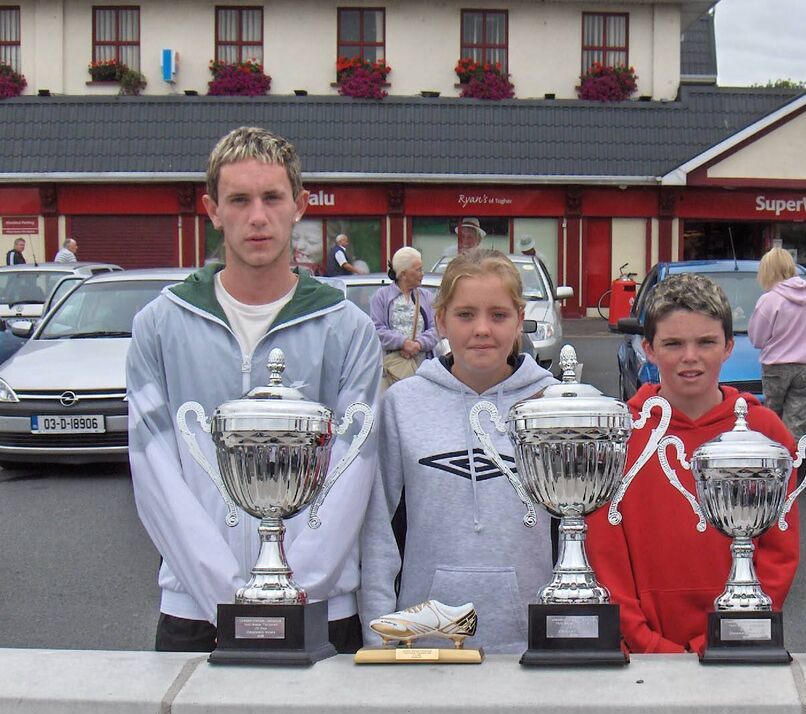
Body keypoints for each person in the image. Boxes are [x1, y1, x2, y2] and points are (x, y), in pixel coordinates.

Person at [127, 126, 381, 654]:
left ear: (300, 205)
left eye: (272, 197)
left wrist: (290, 594)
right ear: (212, 209)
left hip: (320, 606)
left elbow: (352, 470)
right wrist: (228, 595)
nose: (257, 217)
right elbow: (155, 472)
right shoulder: (159, 324)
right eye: (239, 200)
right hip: (195, 608)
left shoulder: (348, 328)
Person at [584, 273, 800, 654]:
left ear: (729, 346)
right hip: (639, 652)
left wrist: (724, 634)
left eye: (705, 342)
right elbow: (603, 551)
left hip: (737, 643)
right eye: (673, 343)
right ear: (648, 348)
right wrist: (644, 640)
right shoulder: (621, 435)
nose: (690, 357)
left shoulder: (766, 432)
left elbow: (778, 553)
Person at [359, 249, 558, 653]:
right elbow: (379, 532)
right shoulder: (403, 403)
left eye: (498, 315)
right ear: (442, 317)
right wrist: (379, 636)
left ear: (520, 319)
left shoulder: (553, 404)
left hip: (533, 642)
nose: (482, 329)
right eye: (466, 315)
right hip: (424, 642)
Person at [748, 246, 806, 438]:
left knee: (770, 420)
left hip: (776, 367)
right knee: (797, 423)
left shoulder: (770, 300)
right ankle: (794, 462)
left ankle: (773, 462)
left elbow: (757, 338)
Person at [370, 246, 438, 390]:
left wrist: (418, 344)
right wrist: (403, 343)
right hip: (391, 369)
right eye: (418, 270)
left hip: (422, 368)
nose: (422, 274)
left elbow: (437, 329)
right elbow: (377, 329)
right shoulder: (381, 296)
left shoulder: (427, 297)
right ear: (403, 274)